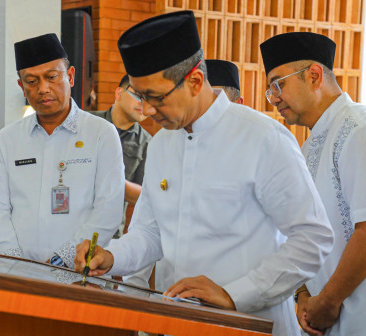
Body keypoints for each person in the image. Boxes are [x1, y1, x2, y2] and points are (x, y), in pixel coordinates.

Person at [74, 11, 334, 336]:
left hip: (247, 324)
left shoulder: (262, 138)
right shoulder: (162, 145)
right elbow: (151, 233)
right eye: (142, 97)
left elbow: (313, 238)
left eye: (157, 98)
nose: (149, 111)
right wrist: (111, 255)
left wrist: (234, 294)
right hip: (175, 324)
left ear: (195, 81)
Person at [260, 32, 366, 336]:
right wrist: (304, 295)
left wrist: (330, 300)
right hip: (324, 320)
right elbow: (305, 235)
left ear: (314, 75)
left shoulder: (361, 127)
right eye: (271, 90)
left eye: (278, 84)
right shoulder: (308, 148)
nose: (274, 98)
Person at [0, 33, 125, 268]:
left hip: (77, 271)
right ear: (21, 86)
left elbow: (108, 209)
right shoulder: (7, 139)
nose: (43, 88)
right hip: (17, 272)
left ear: (70, 76)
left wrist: (63, 260)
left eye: (51, 77)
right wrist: (14, 262)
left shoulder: (101, 133)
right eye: (31, 81)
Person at [90, 74, 152, 238]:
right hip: (70, 223)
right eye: (139, 96)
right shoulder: (88, 123)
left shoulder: (147, 143)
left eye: (151, 98)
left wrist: (111, 183)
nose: (143, 103)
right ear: (119, 93)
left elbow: (144, 195)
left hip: (109, 234)